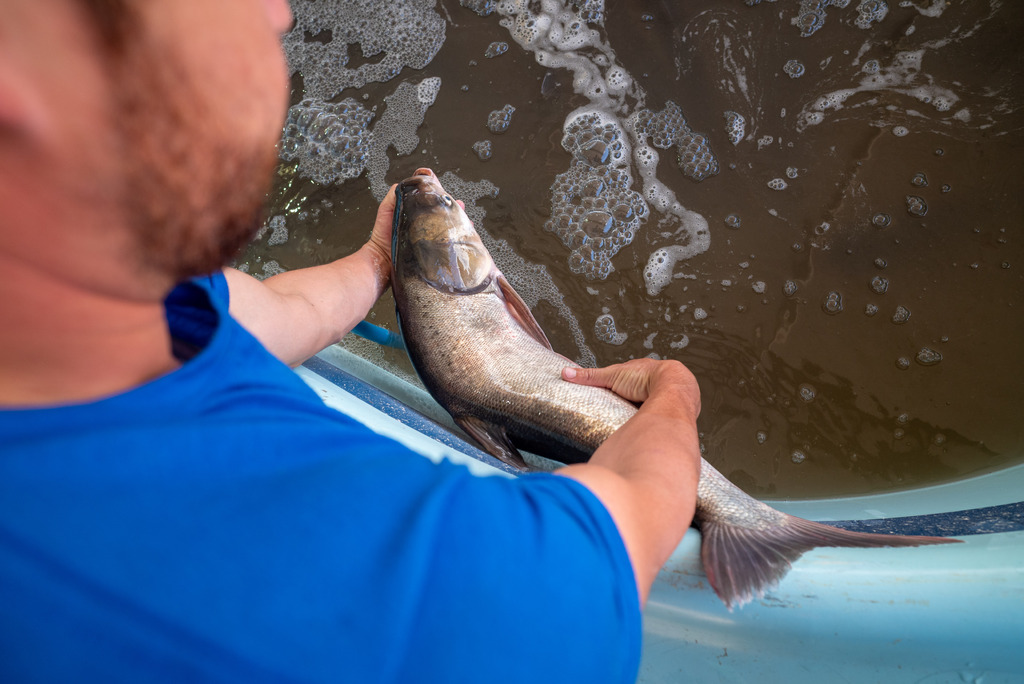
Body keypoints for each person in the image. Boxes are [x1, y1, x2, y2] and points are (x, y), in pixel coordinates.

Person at [0, 1, 702, 681]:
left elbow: (278, 310)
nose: (279, 13)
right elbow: (621, 533)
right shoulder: (415, 603)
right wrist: (672, 401)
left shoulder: (138, 305)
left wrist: (380, 264)